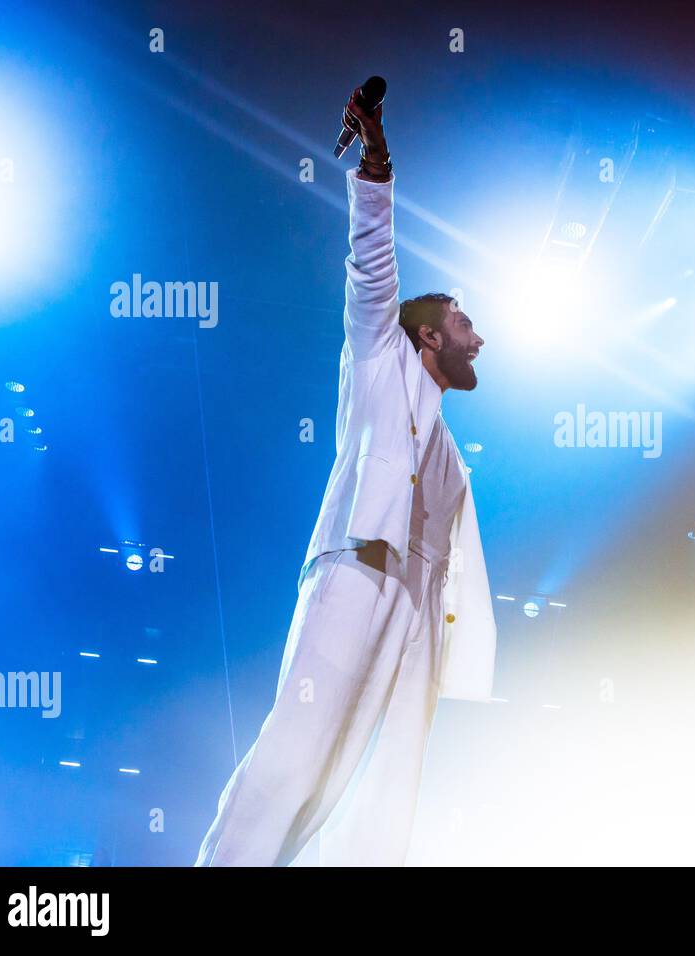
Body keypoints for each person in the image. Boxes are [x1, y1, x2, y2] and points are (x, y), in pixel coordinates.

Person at [195, 86, 496, 866]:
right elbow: (371, 265)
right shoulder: (377, 357)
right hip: (355, 576)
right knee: (297, 762)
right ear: (427, 332)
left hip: (414, 618)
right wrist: (376, 159)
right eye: (466, 324)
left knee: (384, 799)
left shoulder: (453, 459)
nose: (481, 340)